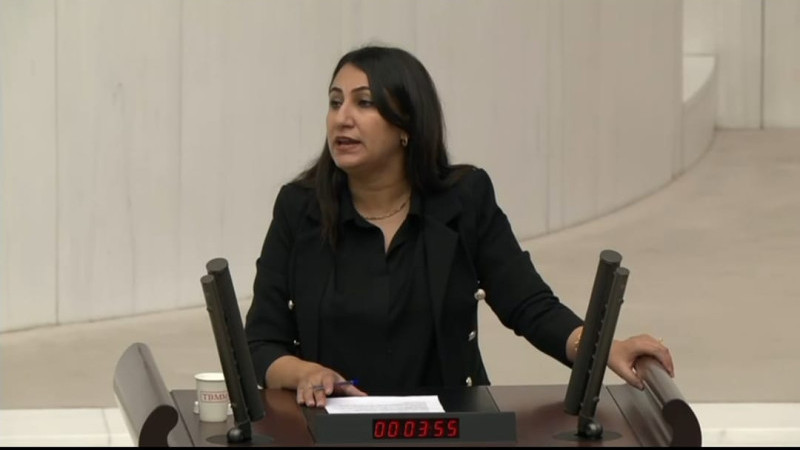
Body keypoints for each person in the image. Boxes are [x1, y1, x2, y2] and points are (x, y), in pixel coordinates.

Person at [244, 45, 674, 408]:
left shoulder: (463, 199)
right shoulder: (300, 209)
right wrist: (304, 373)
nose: (342, 118)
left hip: (451, 427)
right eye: (335, 102)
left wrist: (602, 347)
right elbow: (260, 343)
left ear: (407, 125)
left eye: (365, 103)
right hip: (331, 430)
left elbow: (528, 303)